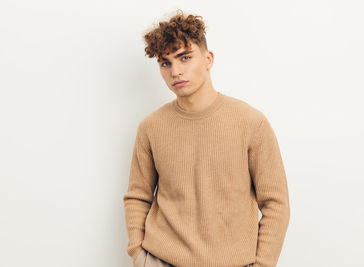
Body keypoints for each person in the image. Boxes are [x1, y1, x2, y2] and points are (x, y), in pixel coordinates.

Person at [123, 9, 290, 267]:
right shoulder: (150, 128)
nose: (175, 71)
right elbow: (138, 196)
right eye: (165, 63)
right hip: (161, 259)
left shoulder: (251, 123)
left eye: (184, 58)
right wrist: (138, 253)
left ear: (208, 59)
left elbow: (276, 203)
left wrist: (263, 264)